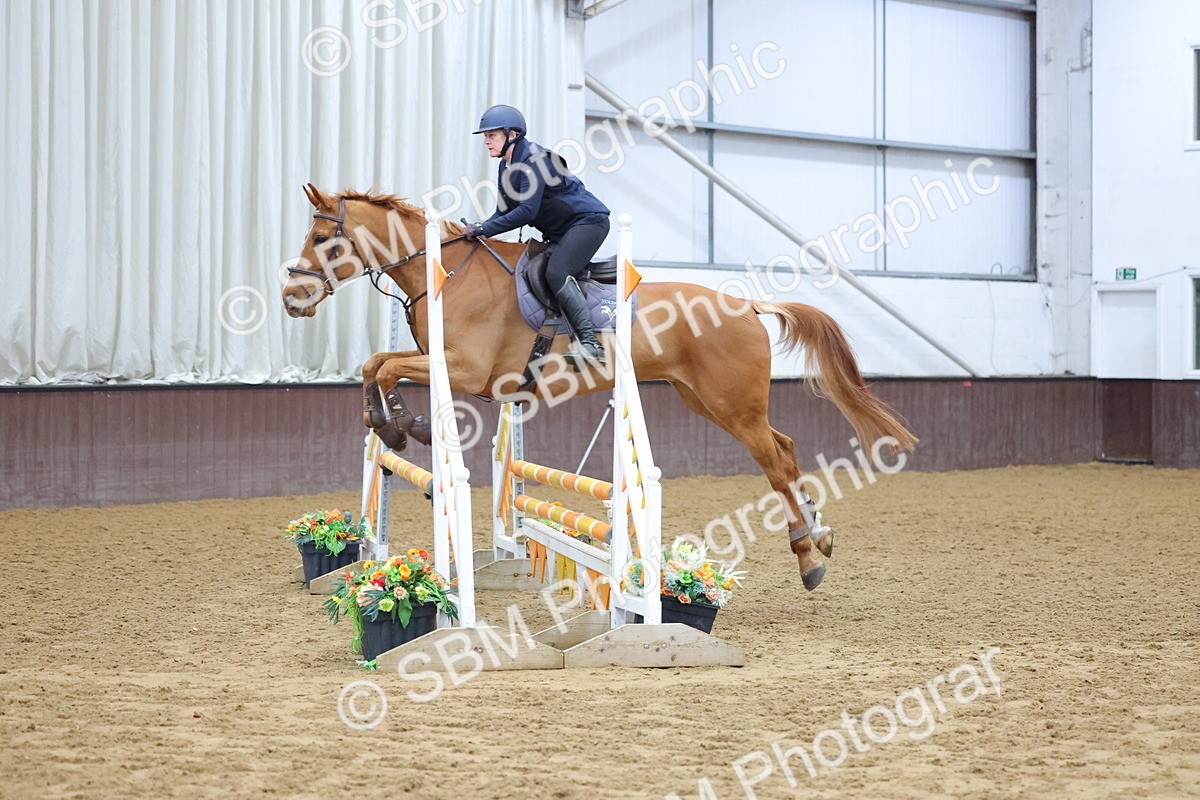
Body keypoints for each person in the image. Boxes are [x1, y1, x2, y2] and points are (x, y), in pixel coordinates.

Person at [462, 104, 610, 368]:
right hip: (561, 231)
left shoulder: (534, 161)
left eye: (492, 135)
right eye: (485, 136)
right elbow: (503, 212)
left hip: (588, 222)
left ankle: (590, 344)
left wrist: (484, 229)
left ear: (513, 134)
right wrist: (478, 229)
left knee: (556, 272)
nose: (486, 141)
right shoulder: (506, 167)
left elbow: (526, 212)